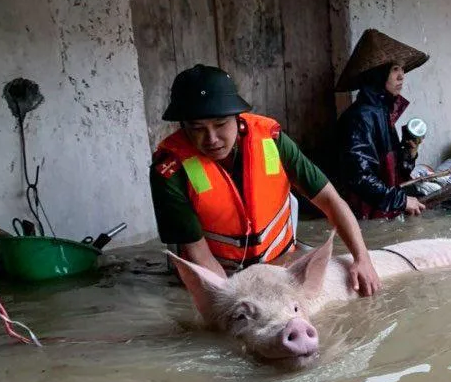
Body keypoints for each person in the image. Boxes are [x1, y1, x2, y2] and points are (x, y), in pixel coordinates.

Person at [149, 64, 380, 296]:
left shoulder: (272, 140)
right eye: (197, 128)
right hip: (217, 274)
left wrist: (362, 258)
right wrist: (234, 301)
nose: (211, 139)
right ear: (183, 126)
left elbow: (330, 200)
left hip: (280, 263)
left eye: (220, 125)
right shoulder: (169, 169)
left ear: (238, 118)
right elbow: (198, 252)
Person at [334, 29, 429, 219]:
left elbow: (390, 173)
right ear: (378, 74)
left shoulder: (382, 111)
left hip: (382, 212)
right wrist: (401, 201)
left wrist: (408, 156)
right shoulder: (361, 117)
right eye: (395, 69)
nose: (402, 75)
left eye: (402, 69)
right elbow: (360, 177)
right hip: (363, 216)